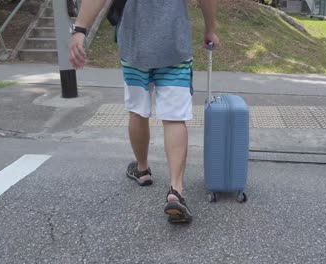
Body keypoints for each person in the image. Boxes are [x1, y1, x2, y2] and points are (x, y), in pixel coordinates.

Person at [69, 0, 219, 224]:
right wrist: (210, 30)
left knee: (138, 111)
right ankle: (176, 189)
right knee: (174, 118)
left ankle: (142, 169)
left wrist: (80, 29)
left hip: (135, 46)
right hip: (174, 46)